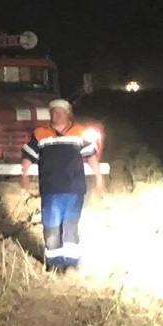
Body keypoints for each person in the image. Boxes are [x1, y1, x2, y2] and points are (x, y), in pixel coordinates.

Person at [20, 98, 105, 272]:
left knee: (70, 226)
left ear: (68, 114)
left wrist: (99, 178)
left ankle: (71, 265)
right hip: (51, 188)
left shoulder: (79, 132)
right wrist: (24, 175)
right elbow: (28, 155)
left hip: (74, 189)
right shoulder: (41, 133)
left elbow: (91, 156)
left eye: (59, 112)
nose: (55, 115)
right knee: (51, 227)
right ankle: (54, 265)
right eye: (53, 112)